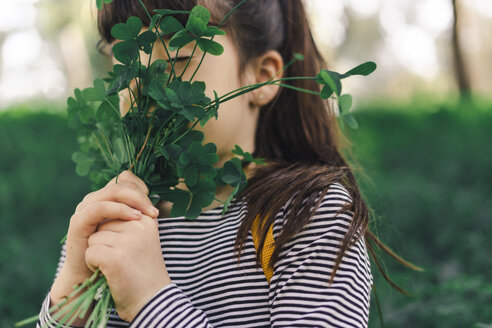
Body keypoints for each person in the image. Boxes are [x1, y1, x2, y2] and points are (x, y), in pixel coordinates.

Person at [36, 0, 384, 327]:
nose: (144, 86)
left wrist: (150, 301)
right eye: (124, 59)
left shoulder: (307, 214)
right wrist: (68, 305)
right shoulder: (116, 215)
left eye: (178, 58)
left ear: (261, 76)